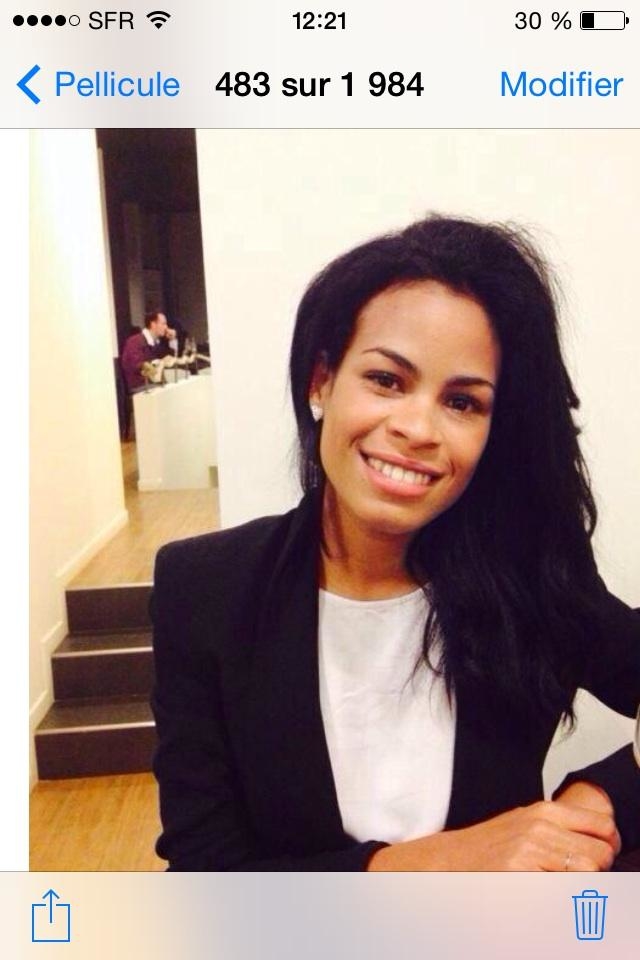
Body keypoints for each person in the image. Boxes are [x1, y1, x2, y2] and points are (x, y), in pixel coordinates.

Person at [151, 215, 640, 871]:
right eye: (386, 380)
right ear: (322, 380)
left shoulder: (528, 578)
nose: (417, 428)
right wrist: (424, 865)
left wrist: (601, 800)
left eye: (463, 402)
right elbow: (204, 877)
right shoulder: (205, 588)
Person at [120, 311, 177, 393]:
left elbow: (171, 360)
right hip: (141, 387)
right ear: (153, 324)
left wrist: (172, 340)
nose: (166, 327)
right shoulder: (134, 342)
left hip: (153, 384)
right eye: (163, 324)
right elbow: (137, 366)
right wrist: (157, 364)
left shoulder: (156, 343)